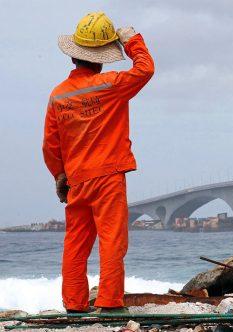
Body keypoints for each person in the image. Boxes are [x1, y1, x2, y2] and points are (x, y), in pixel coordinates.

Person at [42, 12, 154, 313]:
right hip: (108, 177)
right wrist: (131, 40)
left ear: (74, 56)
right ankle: (109, 303)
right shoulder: (111, 85)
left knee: (75, 245)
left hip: (77, 180)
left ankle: (74, 304)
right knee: (111, 241)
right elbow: (145, 69)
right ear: (102, 58)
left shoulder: (58, 96)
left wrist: (60, 176)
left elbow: (50, 146)